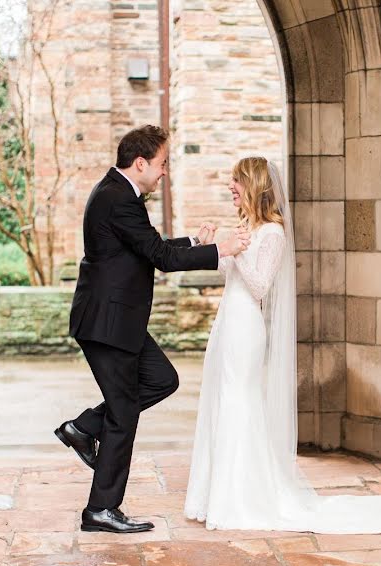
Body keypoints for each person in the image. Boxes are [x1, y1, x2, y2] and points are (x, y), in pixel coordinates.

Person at [183, 156, 381, 533]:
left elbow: (260, 285)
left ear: (255, 185)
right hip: (228, 322)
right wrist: (211, 244)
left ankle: (242, 497)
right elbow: (230, 272)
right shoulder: (248, 229)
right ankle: (219, 491)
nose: (230, 186)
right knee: (222, 396)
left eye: (236, 181)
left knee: (239, 399)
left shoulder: (274, 234)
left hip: (247, 326)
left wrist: (235, 249)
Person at [55, 125, 251, 534]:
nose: (165, 173)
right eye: (162, 164)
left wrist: (192, 242)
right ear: (140, 163)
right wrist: (220, 250)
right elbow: (159, 257)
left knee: (162, 379)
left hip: (116, 322)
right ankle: (101, 509)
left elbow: (146, 248)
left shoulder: (120, 194)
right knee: (124, 414)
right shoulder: (117, 198)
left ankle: (83, 428)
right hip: (107, 324)